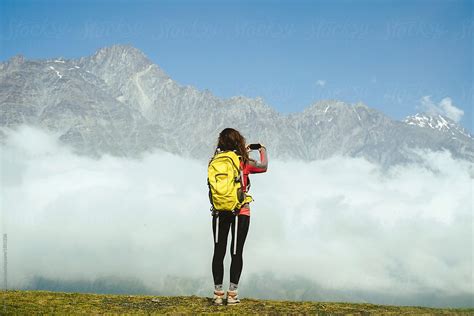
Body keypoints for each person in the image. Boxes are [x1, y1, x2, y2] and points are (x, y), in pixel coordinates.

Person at [210, 127, 268, 305]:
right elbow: (263, 167)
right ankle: (232, 294)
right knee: (236, 252)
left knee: (219, 252)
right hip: (240, 212)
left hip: (219, 211)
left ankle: (218, 294)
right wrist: (262, 149)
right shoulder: (243, 162)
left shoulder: (214, 160)